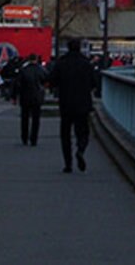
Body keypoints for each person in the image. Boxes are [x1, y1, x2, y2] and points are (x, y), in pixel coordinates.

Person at [48, 39, 97, 173]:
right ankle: (80, 149)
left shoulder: (61, 63)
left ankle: (68, 164)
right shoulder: (86, 64)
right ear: (80, 48)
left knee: (65, 134)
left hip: (66, 103)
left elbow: (52, 81)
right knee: (83, 131)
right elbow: (94, 82)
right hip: (83, 103)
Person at [14, 54, 46, 146]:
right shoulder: (41, 70)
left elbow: (18, 83)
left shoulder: (23, 70)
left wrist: (14, 96)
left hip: (25, 97)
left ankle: (24, 137)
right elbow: (46, 79)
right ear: (36, 59)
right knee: (36, 119)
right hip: (37, 97)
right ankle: (34, 138)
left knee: (25, 118)